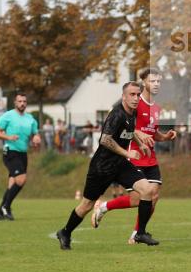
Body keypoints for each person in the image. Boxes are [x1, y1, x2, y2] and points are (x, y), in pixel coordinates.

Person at [56, 82, 160, 249]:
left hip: (120, 165)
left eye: (137, 95)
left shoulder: (132, 114)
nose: (135, 98)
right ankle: (65, 232)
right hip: (102, 167)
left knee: (148, 190)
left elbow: (129, 131)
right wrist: (127, 153)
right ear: (123, 96)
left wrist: (139, 144)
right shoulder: (116, 114)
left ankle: (140, 233)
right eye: (132, 94)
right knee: (87, 205)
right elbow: (105, 139)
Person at [92, 67, 176, 244]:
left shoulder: (156, 108)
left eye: (158, 81)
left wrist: (165, 136)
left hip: (150, 157)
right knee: (138, 198)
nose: (156, 84)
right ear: (144, 82)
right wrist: (138, 134)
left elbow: (152, 133)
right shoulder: (135, 104)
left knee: (153, 196)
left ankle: (136, 234)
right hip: (134, 155)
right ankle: (104, 207)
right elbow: (125, 126)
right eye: (152, 81)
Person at [0, 92, 41, 220]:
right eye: (20, 101)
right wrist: (8, 137)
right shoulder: (8, 116)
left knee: (12, 184)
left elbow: (35, 134)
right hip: (10, 151)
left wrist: (36, 139)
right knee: (21, 179)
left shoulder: (30, 119)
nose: (22, 103)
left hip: (23, 153)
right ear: (15, 103)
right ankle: (6, 207)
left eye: (24, 101)